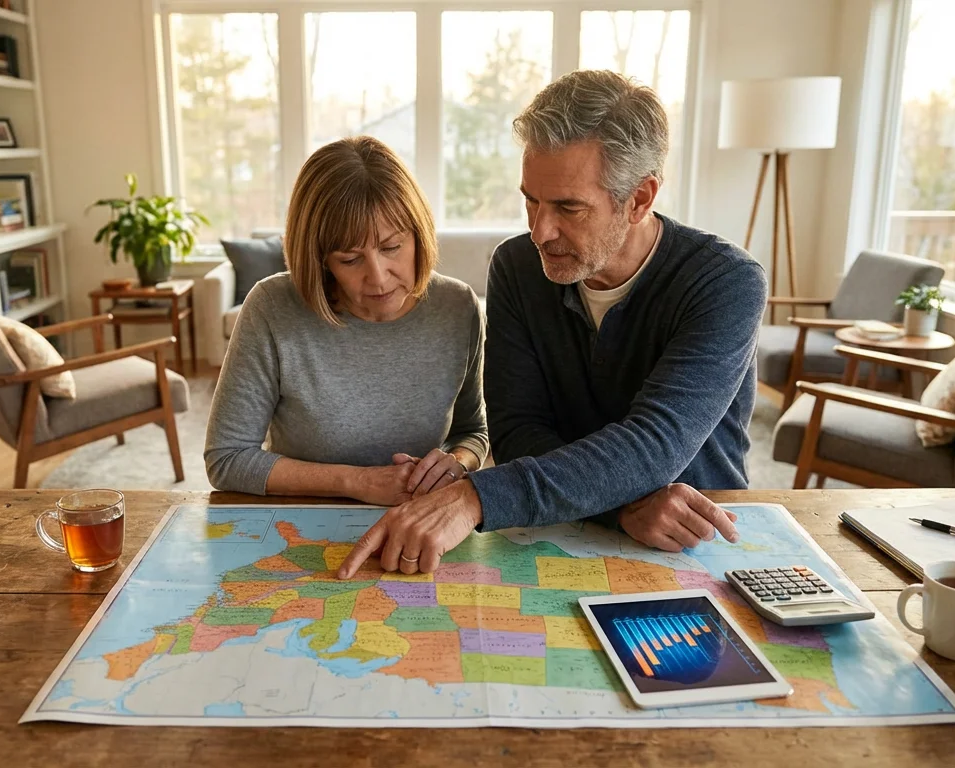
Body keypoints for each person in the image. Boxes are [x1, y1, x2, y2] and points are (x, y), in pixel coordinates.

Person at [339, 70, 767, 578]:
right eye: (531, 200)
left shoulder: (726, 282)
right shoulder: (516, 267)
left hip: (696, 543)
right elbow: (517, 430)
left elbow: (655, 445)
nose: (540, 231)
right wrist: (620, 508)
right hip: (562, 535)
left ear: (639, 199)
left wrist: (474, 498)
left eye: (568, 207)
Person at [204, 136, 488, 507]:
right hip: (302, 520)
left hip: (417, 517)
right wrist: (358, 482)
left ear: (419, 235)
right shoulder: (271, 307)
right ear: (321, 260)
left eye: (391, 247)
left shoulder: (458, 306)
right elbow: (226, 459)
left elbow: (473, 431)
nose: (379, 278)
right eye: (350, 259)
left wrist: (458, 462)